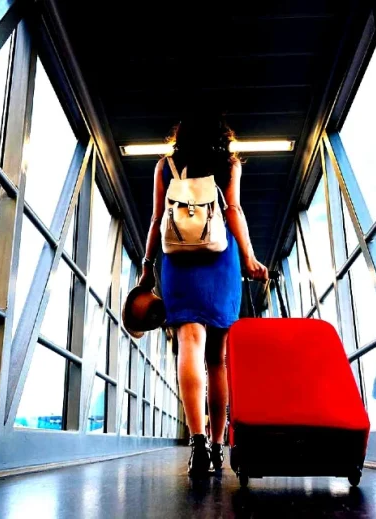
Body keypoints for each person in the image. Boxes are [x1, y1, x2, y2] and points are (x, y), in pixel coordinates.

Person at [139, 113, 268, 477]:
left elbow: (154, 219)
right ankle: (215, 443)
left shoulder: (165, 166)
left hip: (177, 261)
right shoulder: (228, 165)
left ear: (181, 136)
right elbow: (234, 210)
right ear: (221, 135)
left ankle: (195, 443)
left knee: (189, 345)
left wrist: (148, 265)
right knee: (217, 359)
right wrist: (249, 257)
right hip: (219, 259)